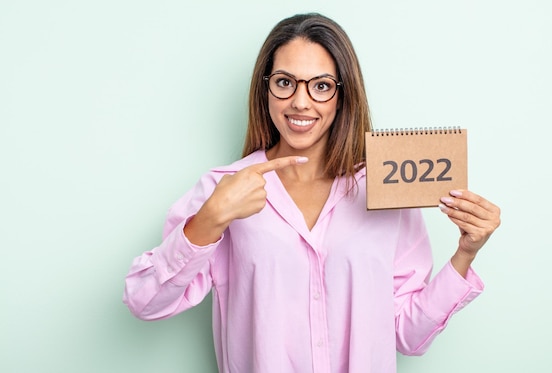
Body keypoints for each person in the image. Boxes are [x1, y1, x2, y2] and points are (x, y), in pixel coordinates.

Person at [123, 12, 501, 373]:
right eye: (285, 82)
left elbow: (407, 335)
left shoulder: (387, 188)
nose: (300, 102)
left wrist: (465, 254)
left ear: (342, 95)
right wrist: (209, 219)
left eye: (321, 86)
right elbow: (144, 302)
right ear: (265, 88)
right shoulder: (223, 188)